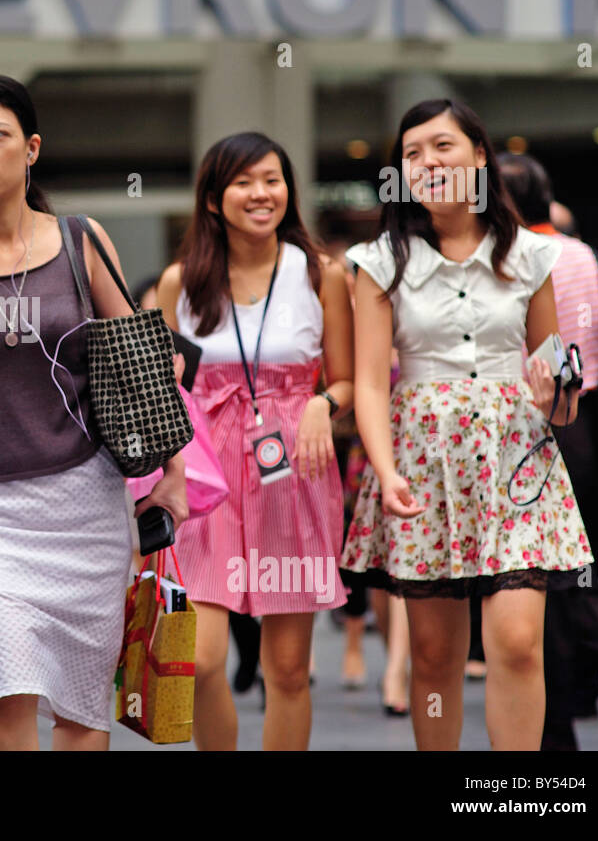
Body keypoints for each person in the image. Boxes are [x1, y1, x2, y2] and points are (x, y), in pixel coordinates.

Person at [0, 72, 188, 750]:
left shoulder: (80, 239)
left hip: (84, 505)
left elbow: (140, 366)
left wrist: (174, 472)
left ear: (31, 147)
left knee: (79, 712)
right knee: (6, 688)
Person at [342, 98, 592, 751]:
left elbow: (553, 375)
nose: (428, 161)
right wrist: (386, 468)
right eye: (414, 151)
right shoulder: (377, 262)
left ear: (480, 156)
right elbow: (371, 381)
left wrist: (557, 395)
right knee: (432, 654)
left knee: (515, 642)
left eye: (443, 146)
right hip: (423, 462)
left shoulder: (532, 256)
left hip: (516, 459)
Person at [157, 131, 354, 751]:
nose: (260, 193)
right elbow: (167, 394)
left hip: (293, 468)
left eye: (272, 179)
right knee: (203, 659)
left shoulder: (320, 273)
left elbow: (349, 379)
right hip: (205, 477)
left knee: (288, 670)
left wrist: (326, 402)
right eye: (243, 182)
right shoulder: (179, 282)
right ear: (214, 199)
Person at [498, 151, 598, 752]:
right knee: (557, 581)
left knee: (558, 578)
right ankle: (553, 737)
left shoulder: (519, 258)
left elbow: (541, 351)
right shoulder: (583, 252)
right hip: (592, 433)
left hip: (543, 429)